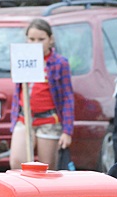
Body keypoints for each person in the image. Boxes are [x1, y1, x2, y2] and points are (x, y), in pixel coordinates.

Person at [9, 18, 73, 170]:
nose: (35, 43)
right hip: (25, 119)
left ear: (50, 40)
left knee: (46, 168)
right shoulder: (22, 58)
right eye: (31, 39)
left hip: (49, 121)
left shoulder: (59, 63)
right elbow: (18, 91)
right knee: (17, 162)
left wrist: (67, 131)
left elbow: (67, 97)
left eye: (41, 39)